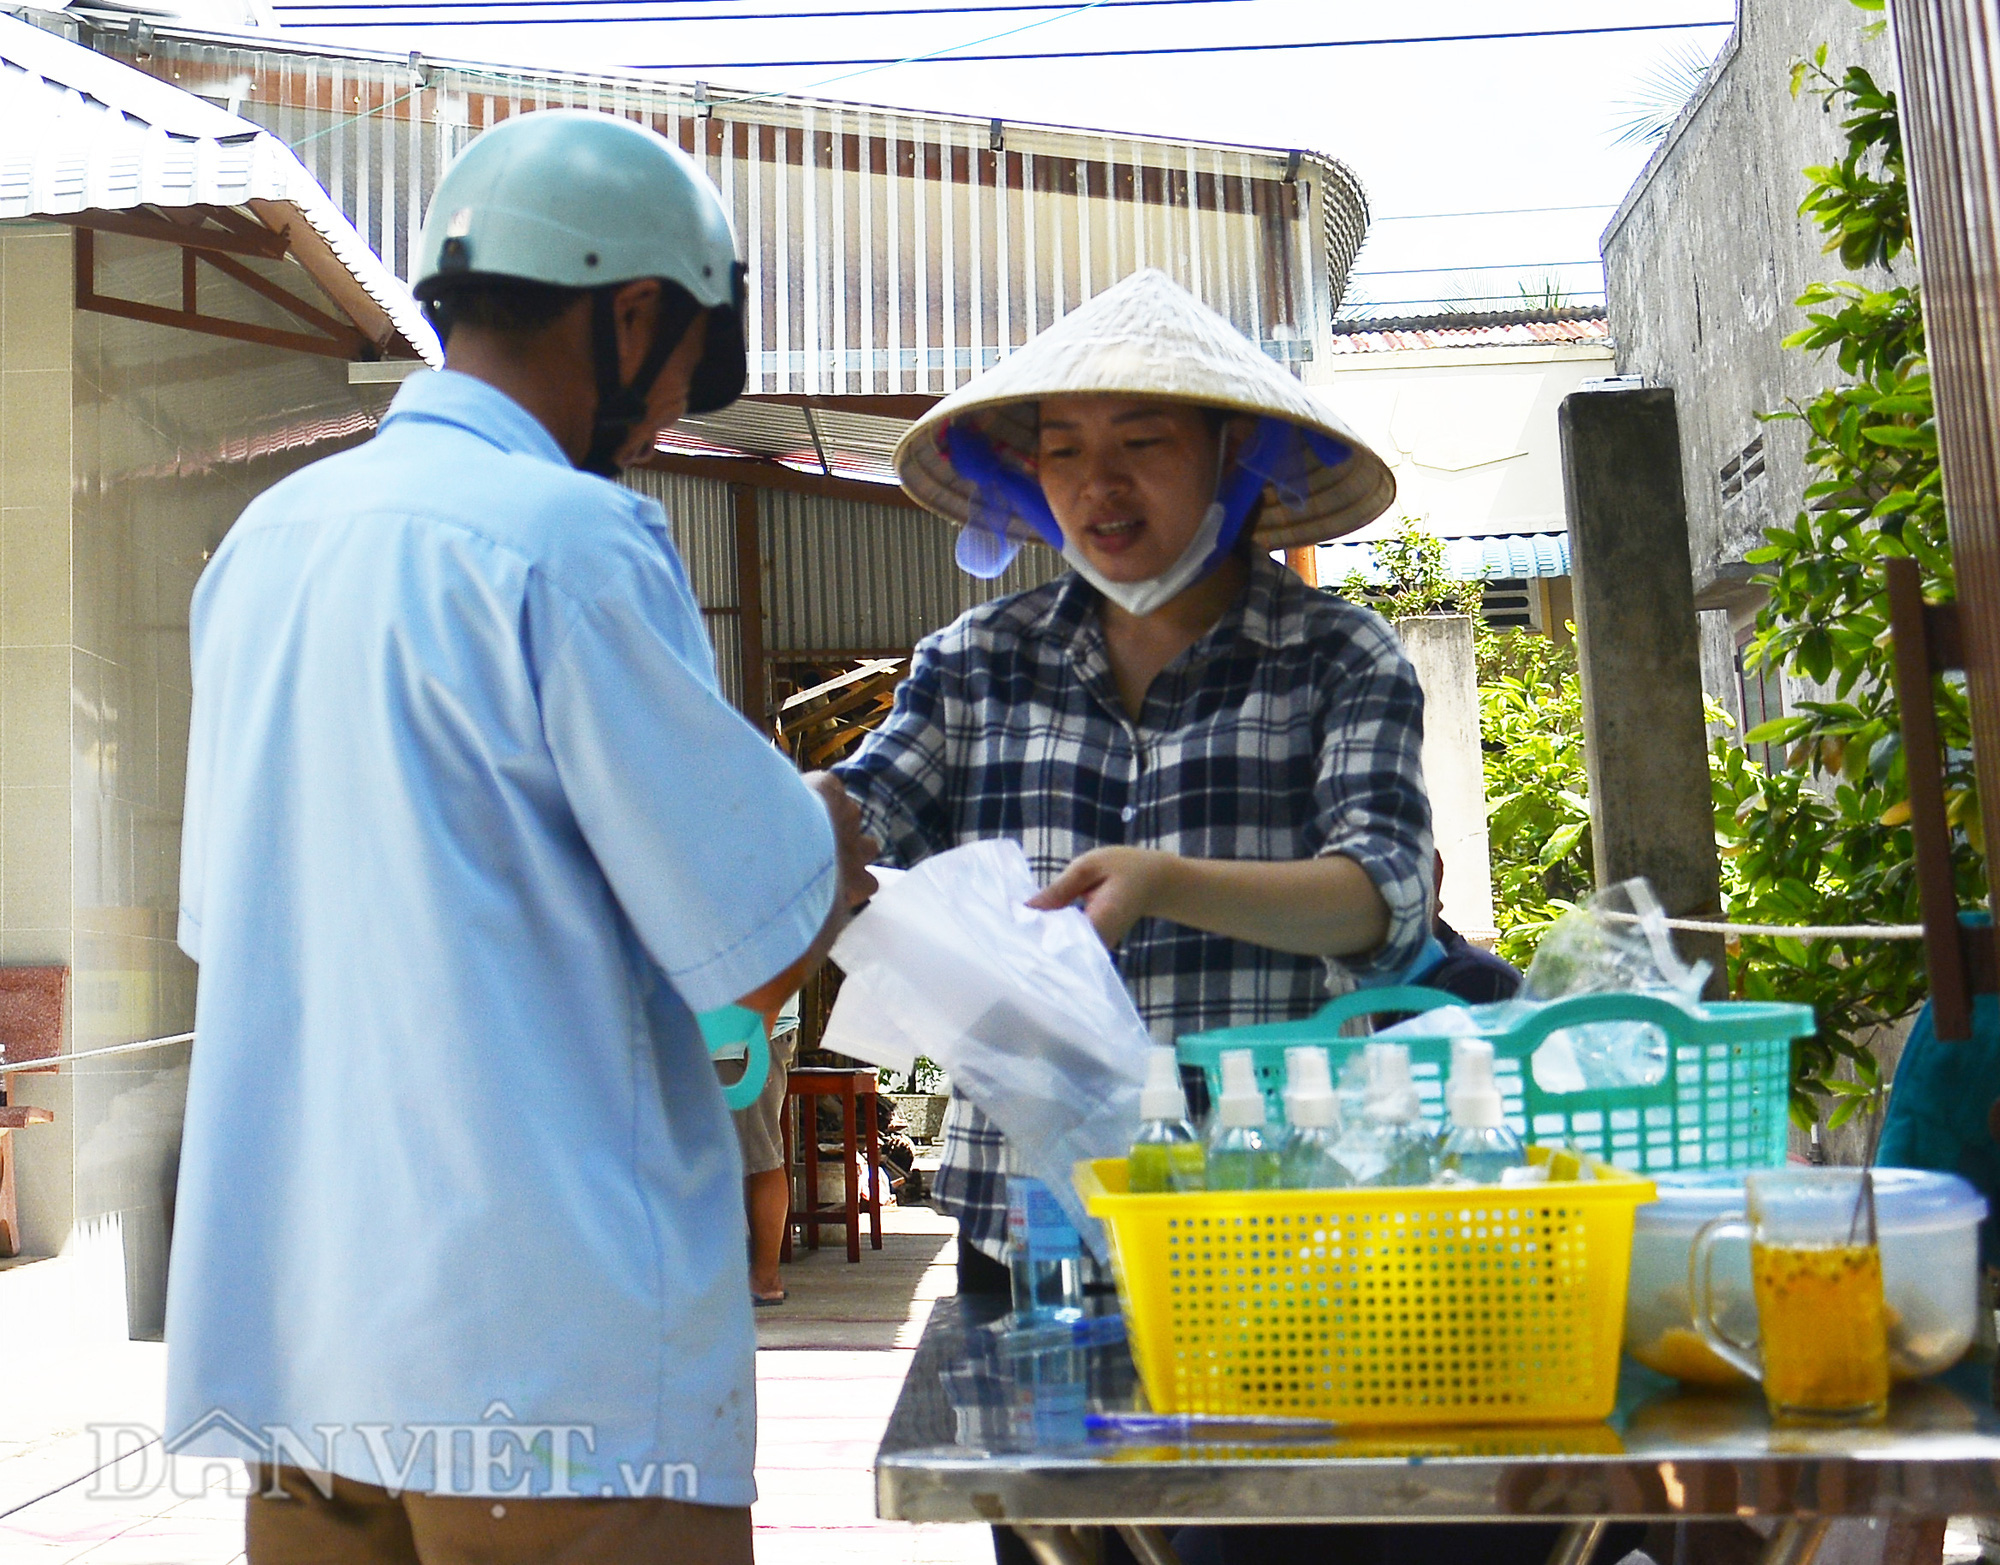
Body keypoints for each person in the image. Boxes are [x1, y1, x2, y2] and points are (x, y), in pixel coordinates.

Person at [168, 109, 875, 1564]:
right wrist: (836, 829)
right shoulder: (570, 539)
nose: (679, 404)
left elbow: (227, 928)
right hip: (549, 1370)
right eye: (688, 356)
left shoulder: (265, 546)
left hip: (303, 1357)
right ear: (630, 313)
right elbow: (746, 924)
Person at [831, 267, 1431, 1297]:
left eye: (1141, 444)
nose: (1096, 484)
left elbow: (1379, 898)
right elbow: (858, 812)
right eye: (1062, 449)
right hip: (1033, 1212)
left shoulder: (1340, 655)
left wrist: (1160, 880)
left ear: (1227, 453)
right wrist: (774, 810)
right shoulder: (974, 661)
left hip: (1274, 1200)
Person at [724, 994, 801, 1306]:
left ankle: (766, 1278)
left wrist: (756, 1047)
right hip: (731, 1037)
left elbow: (775, 966)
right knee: (753, 1154)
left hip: (748, 1038)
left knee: (760, 1156)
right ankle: (758, 1276)